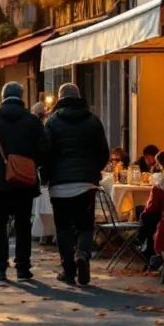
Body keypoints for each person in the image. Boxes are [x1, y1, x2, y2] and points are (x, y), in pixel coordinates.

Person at [0, 83, 48, 280]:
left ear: (3, 96)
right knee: (23, 225)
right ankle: (23, 268)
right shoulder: (33, 121)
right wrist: (30, 166)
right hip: (24, 182)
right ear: (21, 96)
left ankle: (0, 267)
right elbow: (43, 149)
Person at [44, 83, 109, 286]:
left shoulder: (52, 122)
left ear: (59, 98)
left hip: (60, 184)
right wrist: (93, 172)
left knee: (63, 227)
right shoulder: (92, 120)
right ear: (79, 97)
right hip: (85, 183)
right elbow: (103, 152)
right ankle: (82, 254)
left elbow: (45, 152)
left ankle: (68, 270)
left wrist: (46, 176)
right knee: (85, 226)